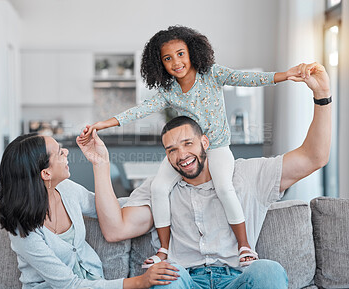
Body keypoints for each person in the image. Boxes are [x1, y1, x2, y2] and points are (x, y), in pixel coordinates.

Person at [76, 62, 332, 288]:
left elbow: (314, 157)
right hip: (185, 278)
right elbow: (114, 230)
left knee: (269, 270)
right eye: (172, 150)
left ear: (205, 142)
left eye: (188, 143)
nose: (181, 155)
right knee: (165, 276)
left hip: (238, 277)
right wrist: (100, 163)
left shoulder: (247, 175)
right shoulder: (160, 188)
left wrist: (322, 96)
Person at [80, 25, 302, 267]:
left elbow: (246, 78)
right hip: (187, 149)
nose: (176, 62)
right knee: (158, 188)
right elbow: (139, 111)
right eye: (167, 58)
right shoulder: (169, 92)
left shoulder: (212, 74)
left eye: (180, 54)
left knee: (225, 188)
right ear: (160, 64)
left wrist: (285, 75)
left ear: (192, 52)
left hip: (215, 148)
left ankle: (244, 245)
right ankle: (164, 250)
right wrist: (104, 124)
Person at [0, 134, 188, 289]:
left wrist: (160, 198)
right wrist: (140, 281)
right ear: (46, 173)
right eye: (60, 152)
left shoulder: (67, 190)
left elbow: (109, 208)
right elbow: (70, 285)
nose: (67, 152)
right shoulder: (23, 231)